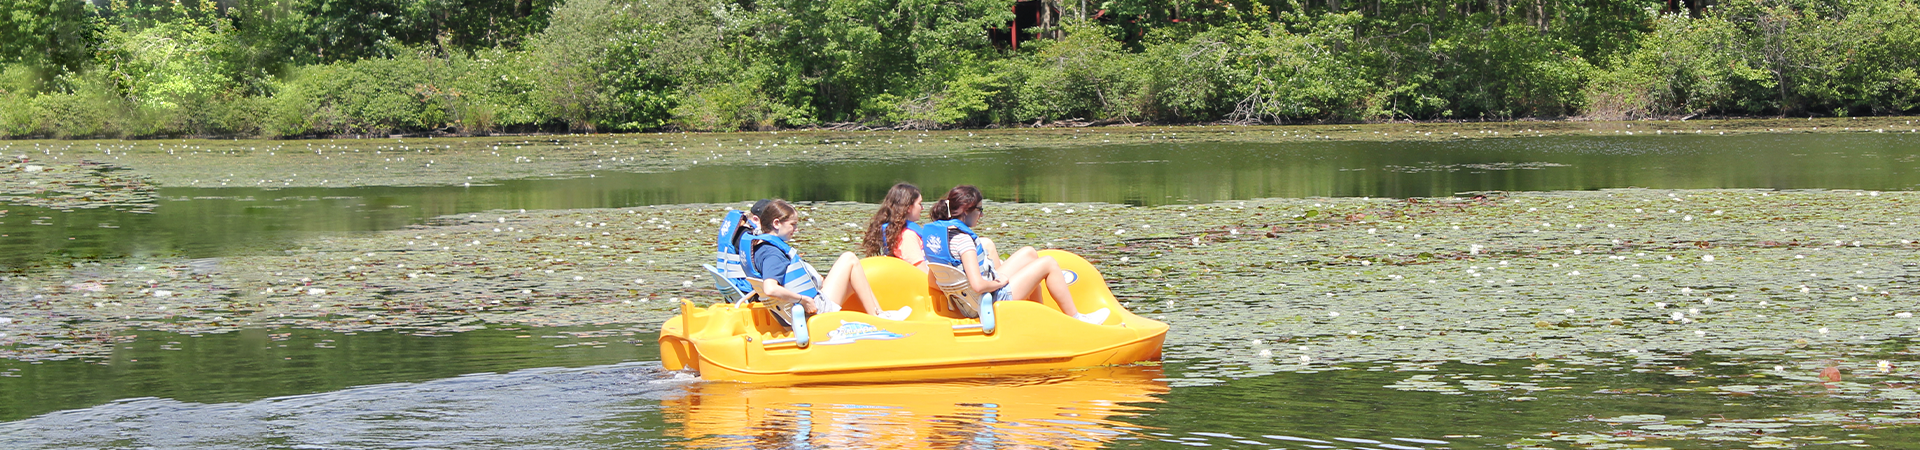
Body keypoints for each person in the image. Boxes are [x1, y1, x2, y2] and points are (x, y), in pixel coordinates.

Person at [922, 185, 1108, 325]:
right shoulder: (963, 241)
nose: (981, 215)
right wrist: (998, 283)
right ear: (966, 210)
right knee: (1048, 263)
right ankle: (1077, 318)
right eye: (979, 210)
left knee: (1029, 253)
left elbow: (933, 281)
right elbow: (978, 285)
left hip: (968, 301)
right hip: (987, 301)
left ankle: (1040, 316)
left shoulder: (939, 239)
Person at [750, 199, 911, 323]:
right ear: (776, 223)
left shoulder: (760, 245)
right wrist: (803, 300)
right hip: (815, 310)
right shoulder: (773, 254)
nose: (796, 229)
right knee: (849, 259)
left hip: (804, 307)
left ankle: (878, 314)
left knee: (851, 272)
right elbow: (770, 289)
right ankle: (879, 317)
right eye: (792, 225)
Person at [860, 183, 928, 271]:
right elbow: (921, 271)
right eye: (920, 203)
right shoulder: (907, 236)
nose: (922, 208)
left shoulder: (894, 230)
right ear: (909, 208)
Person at [714, 199, 774, 295]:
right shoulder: (746, 236)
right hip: (746, 290)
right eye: (770, 223)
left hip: (731, 287)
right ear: (755, 219)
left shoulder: (736, 229)